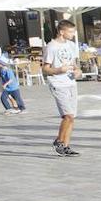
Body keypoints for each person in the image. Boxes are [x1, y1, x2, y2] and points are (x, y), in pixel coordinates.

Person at [42, 19, 81, 156]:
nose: (73, 34)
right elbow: (45, 68)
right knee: (68, 116)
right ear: (61, 32)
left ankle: (66, 146)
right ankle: (59, 142)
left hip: (71, 83)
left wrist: (77, 71)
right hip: (58, 83)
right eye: (70, 32)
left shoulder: (71, 45)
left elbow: (74, 64)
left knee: (71, 117)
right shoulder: (51, 47)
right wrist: (59, 70)